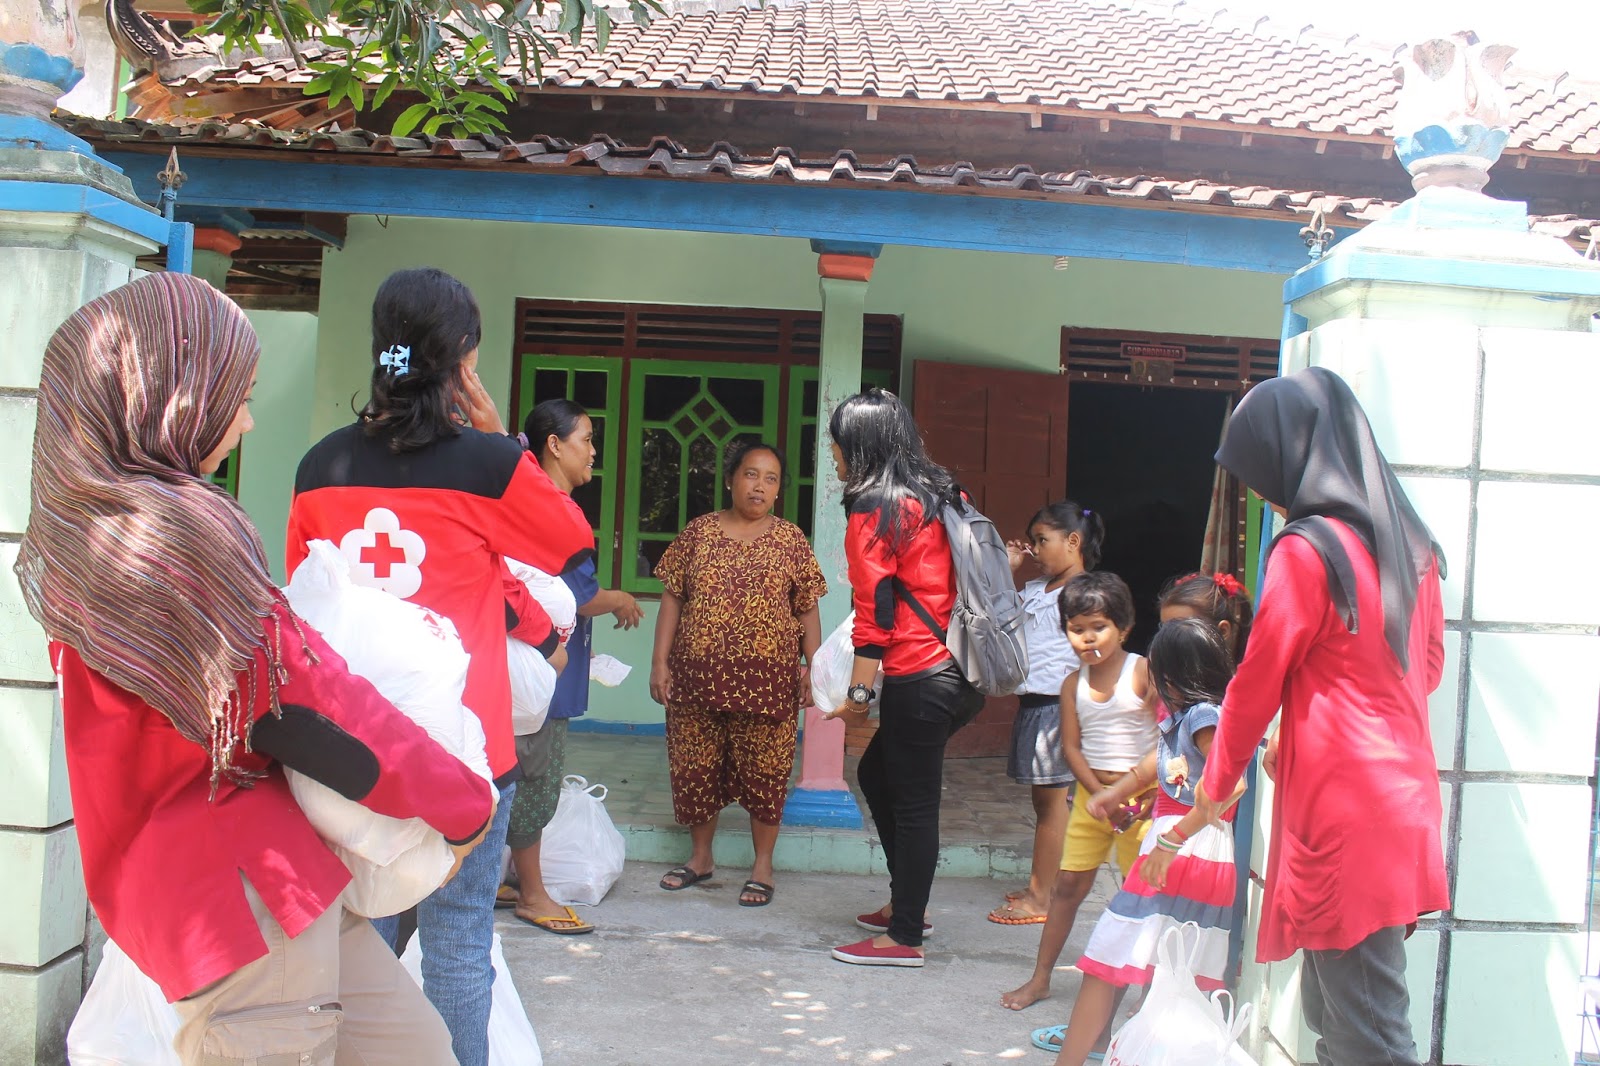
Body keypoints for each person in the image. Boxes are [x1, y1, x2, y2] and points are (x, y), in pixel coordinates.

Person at [18, 273, 494, 1065]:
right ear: (173, 397)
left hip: (259, 881)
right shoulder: (177, 536)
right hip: (239, 900)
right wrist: (459, 800)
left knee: (417, 1049)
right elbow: (300, 704)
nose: (244, 421)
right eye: (234, 397)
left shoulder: (80, 529)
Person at [286, 268, 594, 1066]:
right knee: (459, 942)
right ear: (463, 358)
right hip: (467, 752)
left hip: (353, 750)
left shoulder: (319, 468)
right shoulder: (487, 465)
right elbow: (568, 542)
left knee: (360, 939)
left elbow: (305, 603)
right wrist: (508, 442)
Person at [1192, 366, 1447, 1065]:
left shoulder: (1309, 551)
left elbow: (1257, 680)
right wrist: (1307, 719)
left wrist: (1214, 786)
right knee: (1339, 1017)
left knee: (1369, 1037)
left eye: (1258, 472)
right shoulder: (1412, 546)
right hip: (1402, 803)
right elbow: (1422, 670)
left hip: (1344, 813)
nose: (1260, 492)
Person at [1041, 615, 1252, 1064]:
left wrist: (1172, 841)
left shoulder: (1203, 715)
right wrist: (1114, 793)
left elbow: (1231, 785)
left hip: (1184, 850)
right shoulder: (1189, 717)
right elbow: (1151, 767)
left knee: (1106, 958)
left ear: (1172, 676)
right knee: (1174, 971)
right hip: (1202, 853)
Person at [821, 388, 984, 967]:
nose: (833, 455)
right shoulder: (945, 493)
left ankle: (905, 936)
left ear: (861, 445)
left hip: (921, 676)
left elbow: (875, 611)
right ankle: (904, 904)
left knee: (913, 804)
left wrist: (857, 697)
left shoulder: (875, 505)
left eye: (838, 444)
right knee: (877, 774)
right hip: (962, 670)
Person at [649, 439, 826, 907]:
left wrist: (814, 666)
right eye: (751, 474)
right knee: (695, 768)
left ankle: (762, 867)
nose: (759, 486)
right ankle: (700, 858)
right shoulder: (698, 532)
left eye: (771, 479)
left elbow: (807, 608)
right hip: (696, 680)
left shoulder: (791, 540)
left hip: (768, 685)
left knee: (766, 773)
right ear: (730, 479)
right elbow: (672, 597)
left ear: (779, 490)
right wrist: (659, 662)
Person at [499, 398, 643, 934]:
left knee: (512, 774)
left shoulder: (522, 503)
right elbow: (582, 596)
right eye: (586, 439)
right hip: (542, 671)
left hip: (524, 665)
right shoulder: (551, 511)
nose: (593, 451)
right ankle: (532, 894)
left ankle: (499, 877)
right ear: (555, 446)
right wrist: (621, 598)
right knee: (535, 780)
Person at [1001, 571, 1157, 1010]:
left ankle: (1150, 995)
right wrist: (1100, 796)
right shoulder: (1072, 684)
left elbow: (1165, 739)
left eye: (1098, 627)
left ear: (1124, 627)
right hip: (1094, 800)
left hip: (1142, 804)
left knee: (1145, 895)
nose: (1087, 639)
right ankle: (1041, 978)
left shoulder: (1142, 672)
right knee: (1067, 888)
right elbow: (1071, 748)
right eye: (1076, 629)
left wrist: (1129, 794)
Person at [990, 501, 1105, 927]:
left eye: (1042, 540)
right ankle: (1045, 884)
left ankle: (1041, 898)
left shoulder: (1085, 594)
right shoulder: (1038, 589)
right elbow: (1001, 618)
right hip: (1037, 705)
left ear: (1073, 542)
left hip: (1060, 709)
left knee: (1053, 804)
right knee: (1045, 801)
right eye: (1033, 541)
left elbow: (1098, 652)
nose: (1035, 550)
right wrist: (1006, 570)